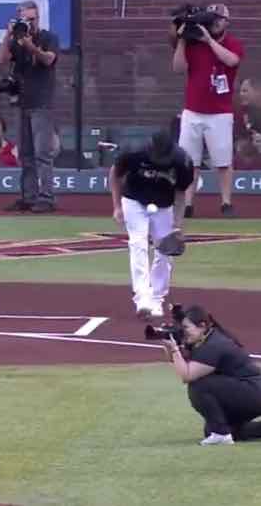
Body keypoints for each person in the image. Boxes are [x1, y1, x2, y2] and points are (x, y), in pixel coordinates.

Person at [109, 129, 194, 318]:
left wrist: (177, 225)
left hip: (164, 205)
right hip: (133, 200)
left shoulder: (182, 161)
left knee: (165, 251)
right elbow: (115, 174)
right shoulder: (133, 152)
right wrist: (117, 206)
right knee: (138, 243)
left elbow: (181, 193)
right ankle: (142, 298)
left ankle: (157, 298)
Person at [172, 3, 243, 218]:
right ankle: (188, 204)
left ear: (226, 22)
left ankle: (226, 202)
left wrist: (209, 41)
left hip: (220, 112)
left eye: (219, 19)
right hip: (193, 111)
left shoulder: (232, 44)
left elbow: (232, 60)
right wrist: (182, 40)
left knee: (222, 161)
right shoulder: (193, 45)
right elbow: (177, 68)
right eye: (212, 18)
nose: (215, 23)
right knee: (189, 161)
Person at [162, 305, 261, 445]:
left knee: (199, 385)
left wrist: (174, 350)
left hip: (253, 391)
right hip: (248, 392)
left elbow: (187, 375)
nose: (183, 332)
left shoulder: (214, 345)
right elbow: (180, 364)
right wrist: (170, 347)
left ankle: (221, 435)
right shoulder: (205, 339)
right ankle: (223, 432)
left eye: (186, 328)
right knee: (214, 429)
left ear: (202, 326)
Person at [0, 0, 60, 214]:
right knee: (25, 153)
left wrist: (31, 46)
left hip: (42, 101)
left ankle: (47, 197)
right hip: (22, 102)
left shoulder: (48, 37)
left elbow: (48, 60)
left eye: (33, 19)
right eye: (26, 19)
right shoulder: (15, 39)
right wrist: (8, 35)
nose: (30, 23)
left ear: (38, 18)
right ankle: (28, 196)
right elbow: (2, 59)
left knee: (42, 153)